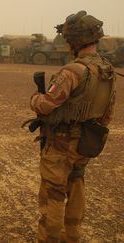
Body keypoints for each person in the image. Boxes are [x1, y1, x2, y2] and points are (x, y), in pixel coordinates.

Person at [30, 11, 116, 242]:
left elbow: (46, 105)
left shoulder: (73, 71)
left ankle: (49, 238)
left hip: (61, 142)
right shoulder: (107, 69)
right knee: (77, 183)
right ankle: (72, 235)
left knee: (53, 193)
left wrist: (35, 99)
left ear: (74, 41)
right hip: (87, 141)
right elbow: (108, 110)